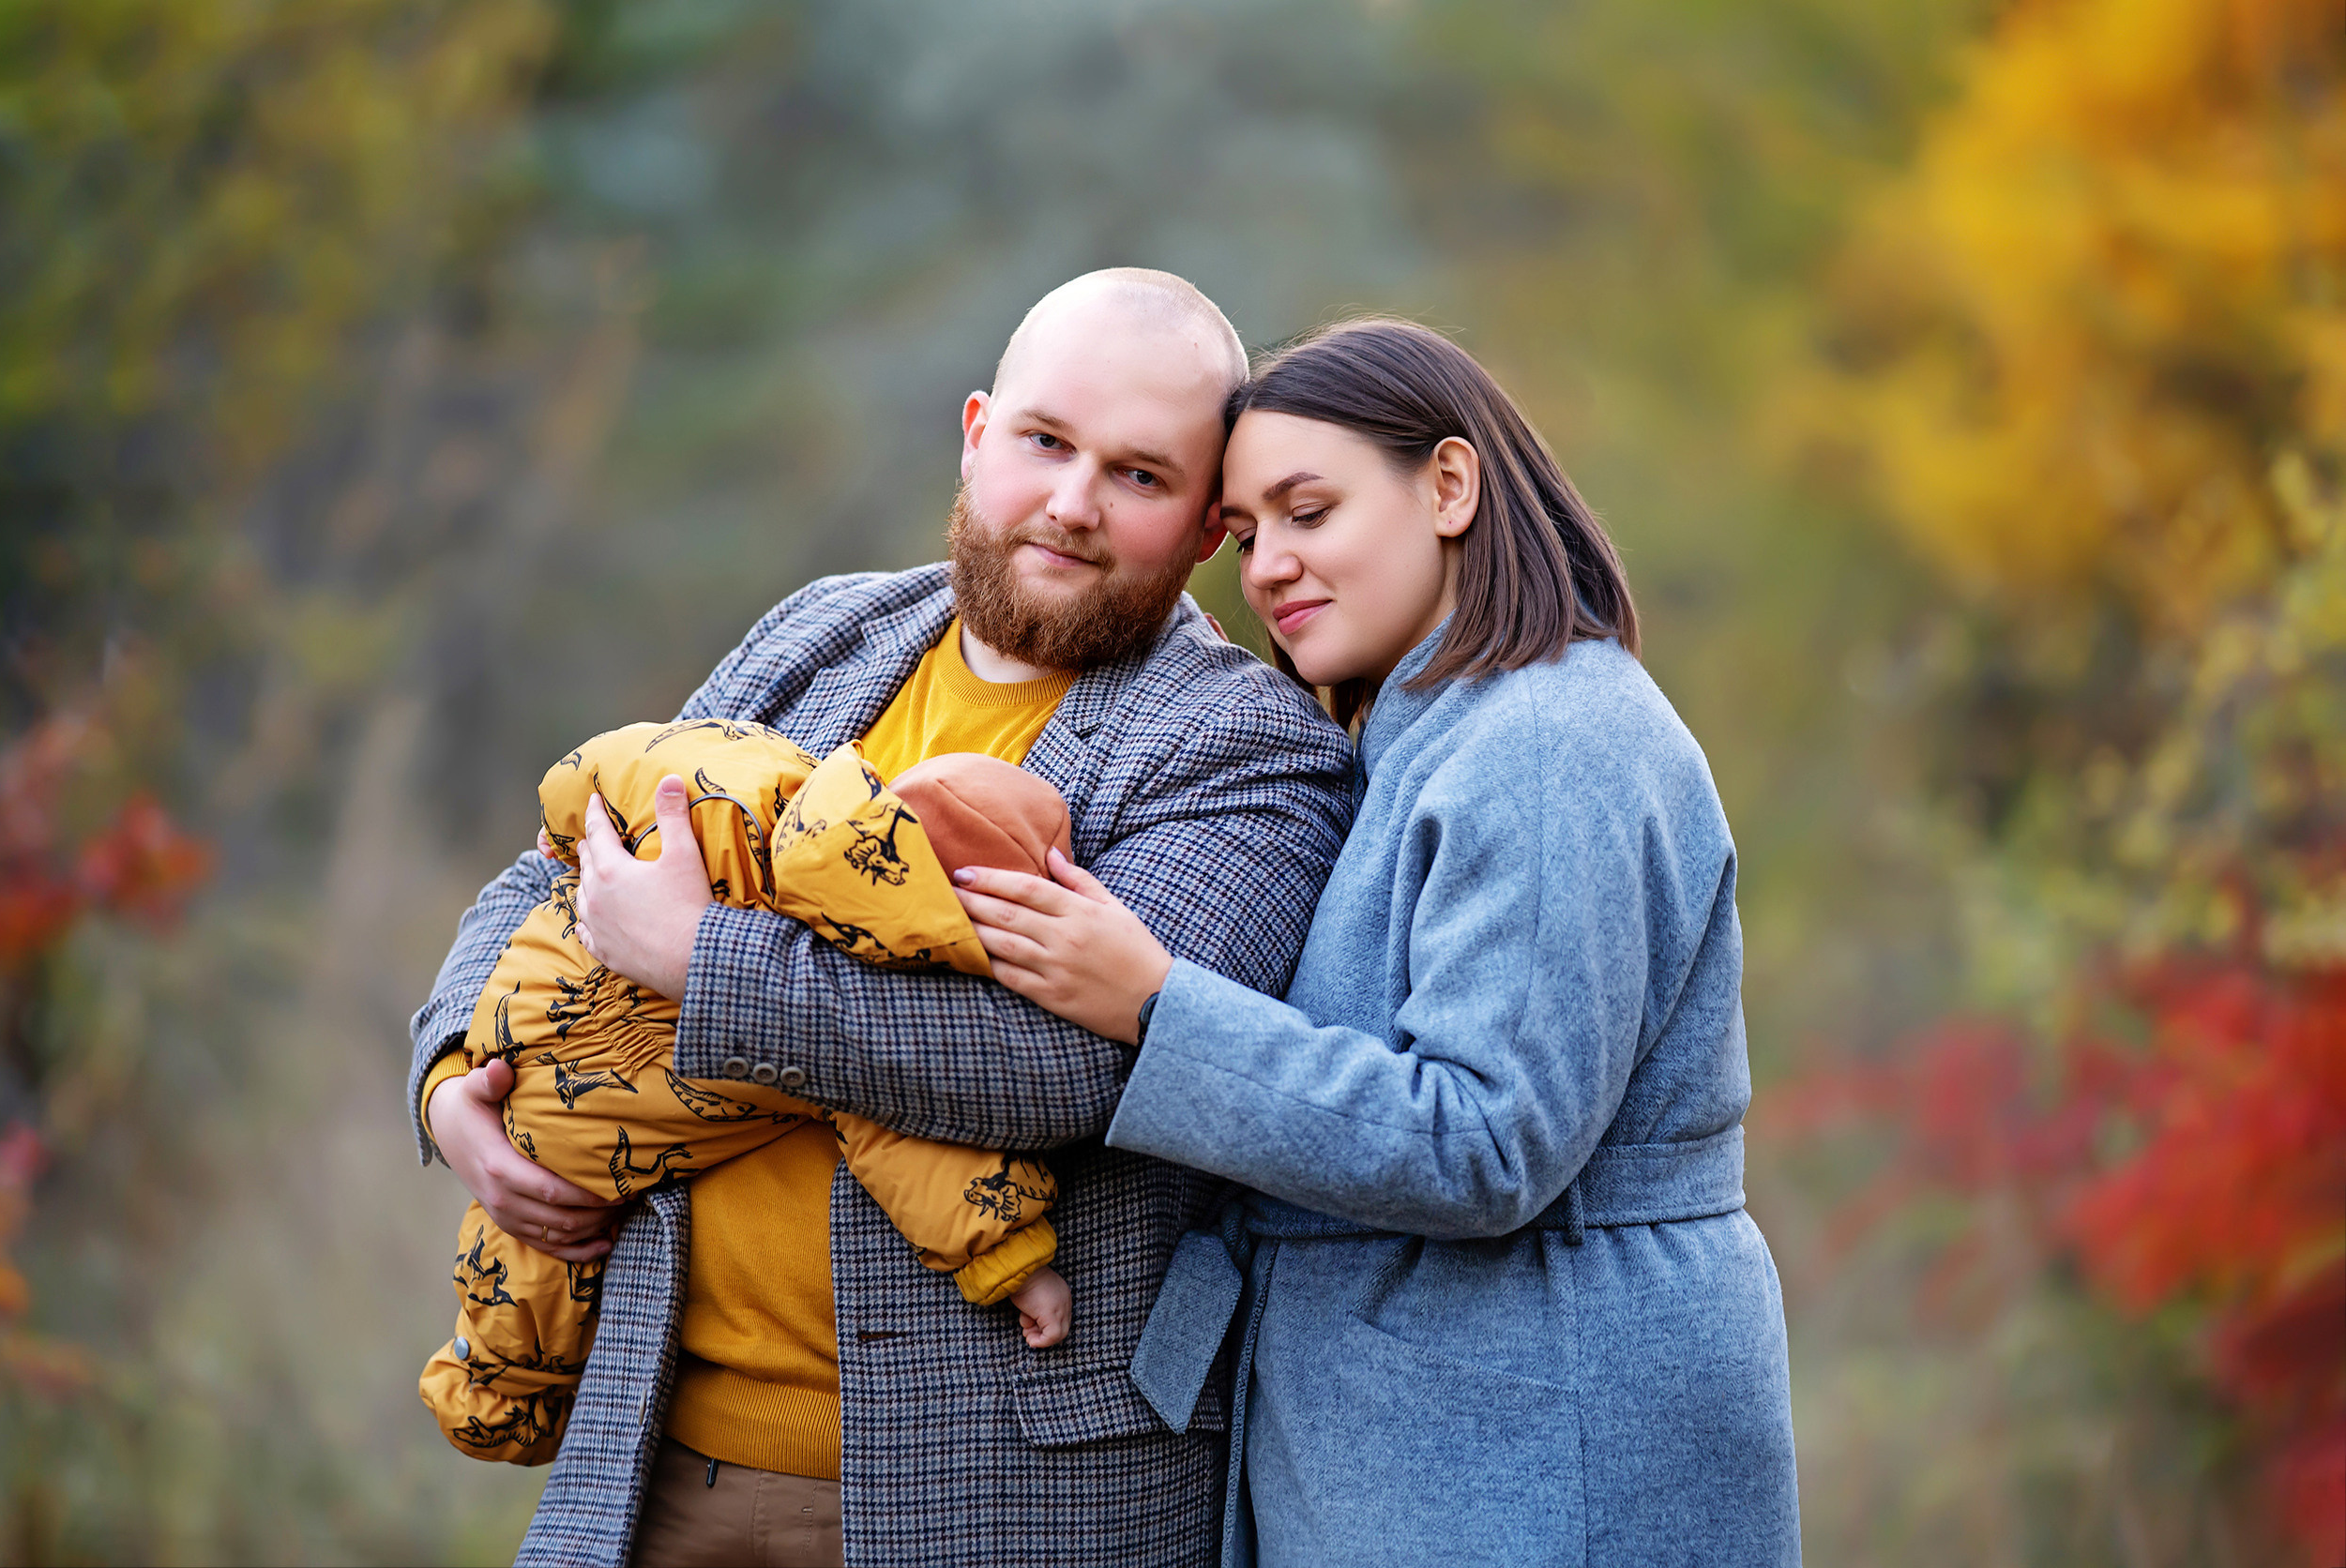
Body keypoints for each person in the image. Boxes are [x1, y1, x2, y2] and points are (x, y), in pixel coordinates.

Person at [407, 268, 1356, 1567]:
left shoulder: (1247, 744)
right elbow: (559, 871)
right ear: (977, 433)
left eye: (1139, 475)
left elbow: (1069, 1063)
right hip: (652, 1456)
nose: (1074, 504)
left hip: (997, 1499)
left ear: (1205, 528)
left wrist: (698, 958)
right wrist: (453, 1077)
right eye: (1045, 443)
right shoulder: (822, 631)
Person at [954, 318, 1804, 1567]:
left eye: (1309, 512)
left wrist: (1155, 1004)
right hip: (1430, 1428)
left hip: (1538, 1430)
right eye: (1246, 533)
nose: (1269, 567)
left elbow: (1487, 1142)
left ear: (1449, 486)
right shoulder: (1422, 742)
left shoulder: (1547, 742)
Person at [421, 730, 1082, 1468]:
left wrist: (568, 822)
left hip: (532, 1052)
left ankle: (488, 1394)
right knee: (527, 1281)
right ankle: (490, 1400)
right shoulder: (855, 961)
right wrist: (443, 1087)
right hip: (562, 1143)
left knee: (517, 1279)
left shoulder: (758, 788)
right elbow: (909, 1139)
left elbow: (623, 767)